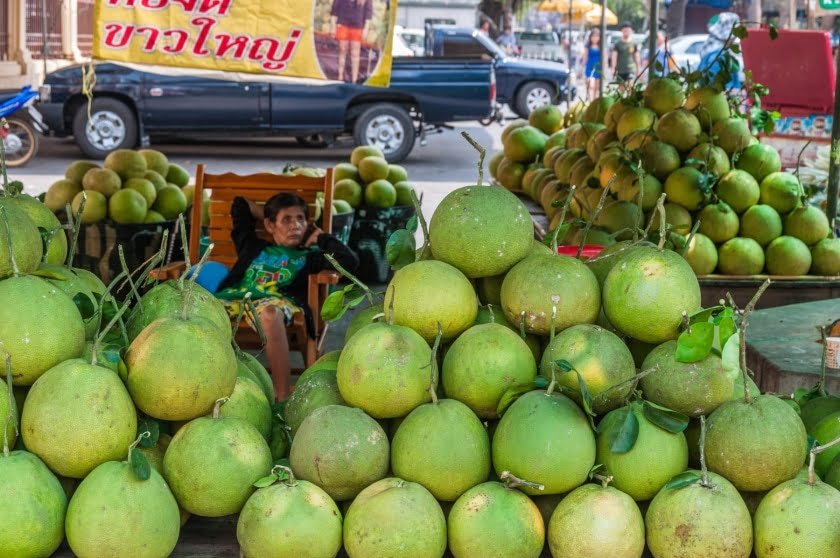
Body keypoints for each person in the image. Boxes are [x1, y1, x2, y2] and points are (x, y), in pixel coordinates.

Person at [215, 194, 359, 400]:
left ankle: (281, 397)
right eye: (287, 220)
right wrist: (269, 215)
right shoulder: (253, 247)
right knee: (204, 313)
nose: (295, 225)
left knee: (270, 314)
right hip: (234, 298)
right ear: (269, 225)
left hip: (276, 301)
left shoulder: (309, 257)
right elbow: (239, 204)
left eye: (301, 219)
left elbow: (349, 261)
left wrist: (319, 237)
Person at [697, 12, 742, 90]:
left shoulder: (712, 54)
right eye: (733, 37)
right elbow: (717, 89)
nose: (734, 40)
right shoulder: (718, 57)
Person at [330, 0, 373, 83]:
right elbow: (334, 10)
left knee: (355, 54)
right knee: (342, 51)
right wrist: (333, 26)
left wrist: (366, 29)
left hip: (358, 26)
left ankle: (354, 79)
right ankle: (340, 77)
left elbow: (368, 12)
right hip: (342, 24)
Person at [610, 21, 641, 87]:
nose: (626, 32)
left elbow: (637, 57)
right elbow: (614, 57)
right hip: (620, 70)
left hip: (631, 69)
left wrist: (639, 70)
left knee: (630, 88)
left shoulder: (634, 43)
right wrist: (613, 69)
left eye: (628, 30)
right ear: (622, 31)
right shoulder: (617, 44)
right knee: (621, 89)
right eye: (625, 30)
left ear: (631, 31)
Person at [579, 28, 602, 100]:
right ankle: (590, 101)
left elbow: (605, 59)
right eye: (593, 36)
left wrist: (605, 69)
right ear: (590, 37)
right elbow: (585, 58)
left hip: (599, 68)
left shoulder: (601, 46)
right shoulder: (588, 46)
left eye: (596, 36)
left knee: (597, 88)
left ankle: (594, 102)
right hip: (589, 68)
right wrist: (581, 68)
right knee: (591, 86)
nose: (595, 38)